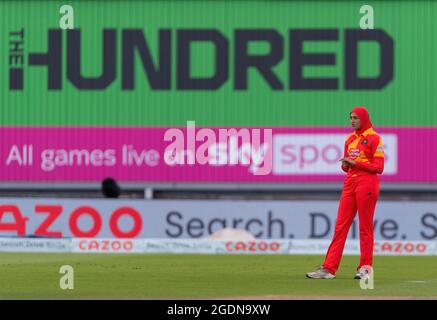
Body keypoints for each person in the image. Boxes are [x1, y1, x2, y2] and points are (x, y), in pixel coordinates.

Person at [306, 106, 384, 279]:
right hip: (350, 182)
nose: (352, 121)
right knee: (340, 227)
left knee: (365, 228)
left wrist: (355, 164)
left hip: (367, 183)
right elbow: (346, 166)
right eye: (350, 118)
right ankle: (328, 269)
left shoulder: (375, 138)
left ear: (364, 118)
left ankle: (365, 269)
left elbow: (379, 167)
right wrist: (346, 165)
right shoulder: (349, 139)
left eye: (355, 118)